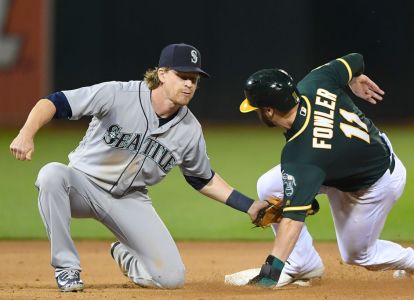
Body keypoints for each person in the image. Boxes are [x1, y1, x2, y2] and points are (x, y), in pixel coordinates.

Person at [9, 43, 264, 292]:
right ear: (162, 74)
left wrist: (249, 205)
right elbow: (54, 102)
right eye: (183, 76)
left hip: (130, 200)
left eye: (195, 79)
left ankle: (125, 255)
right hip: (82, 186)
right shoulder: (118, 94)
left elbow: (203, 179)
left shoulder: (190, 130)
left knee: (171, 279)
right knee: (51, 174)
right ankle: (66, 267)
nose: (189, 84)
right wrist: (26, 133)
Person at [236, 53, 414, 288]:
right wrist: (354, 78)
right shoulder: (314, 82)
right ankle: (302, 264)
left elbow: (292, 221)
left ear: (268, 111)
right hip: (352, 157)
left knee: (358, 255)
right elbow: (355, 59)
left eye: (255, 109)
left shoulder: (301, 158)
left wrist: (269, 275)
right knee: (269, 185)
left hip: (374, 183)